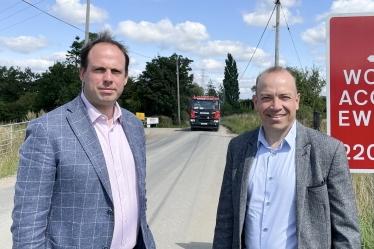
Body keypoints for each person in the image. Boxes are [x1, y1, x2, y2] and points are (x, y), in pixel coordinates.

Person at [11, 31, 155, 249]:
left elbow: (137, 197)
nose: (108, 78)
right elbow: (27, 220)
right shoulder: (47, 129)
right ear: (82, 73)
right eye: (99, 69)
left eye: (116, 71)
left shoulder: (134, 125)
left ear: (125, 78)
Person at [213, 66, 360, 249]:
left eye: (285, 97)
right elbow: (226, 219)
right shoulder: (238, 148)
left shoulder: (329, 151)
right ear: (256, 102)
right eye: (266, 97)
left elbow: (346, 230)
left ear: (297, 100)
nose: (276, 106)